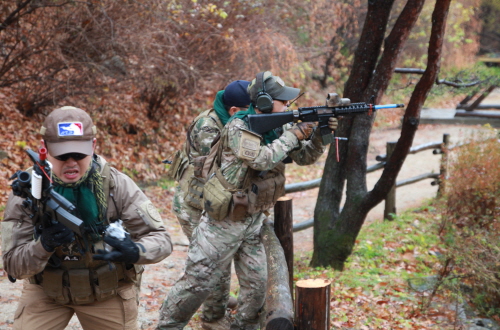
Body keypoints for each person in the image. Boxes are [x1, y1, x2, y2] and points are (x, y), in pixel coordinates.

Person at [157, 71, 338, 330]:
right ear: (263, 103)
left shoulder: (279, 125)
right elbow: (261, 159)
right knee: (198, 283)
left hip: (252, 218)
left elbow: (304, 158)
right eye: (283, 101)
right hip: (223, 221)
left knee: (257, 286)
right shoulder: (238, 126)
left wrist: (319, 134)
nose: (288, 106)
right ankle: (167, 326)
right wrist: (296, 134)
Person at [1, 106, 173, 330]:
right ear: (44, 149)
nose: (71, 162)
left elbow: (162, 239)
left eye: (79, 154)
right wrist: (43, 245)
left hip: (107, 291)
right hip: (48, 292)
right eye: (62, 155)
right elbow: (13, 265)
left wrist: (135, 250)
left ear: (93, 146)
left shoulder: (116, 184)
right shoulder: (29, 192)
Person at [168, 80, 251, 326]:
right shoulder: (208, 126)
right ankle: (213, 319)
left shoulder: (226, 119)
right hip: (193, 204)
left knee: (216, 261)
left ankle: (220, 300)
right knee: (214, 264)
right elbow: (223, 170)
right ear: (235, 111)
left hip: (209, 201)